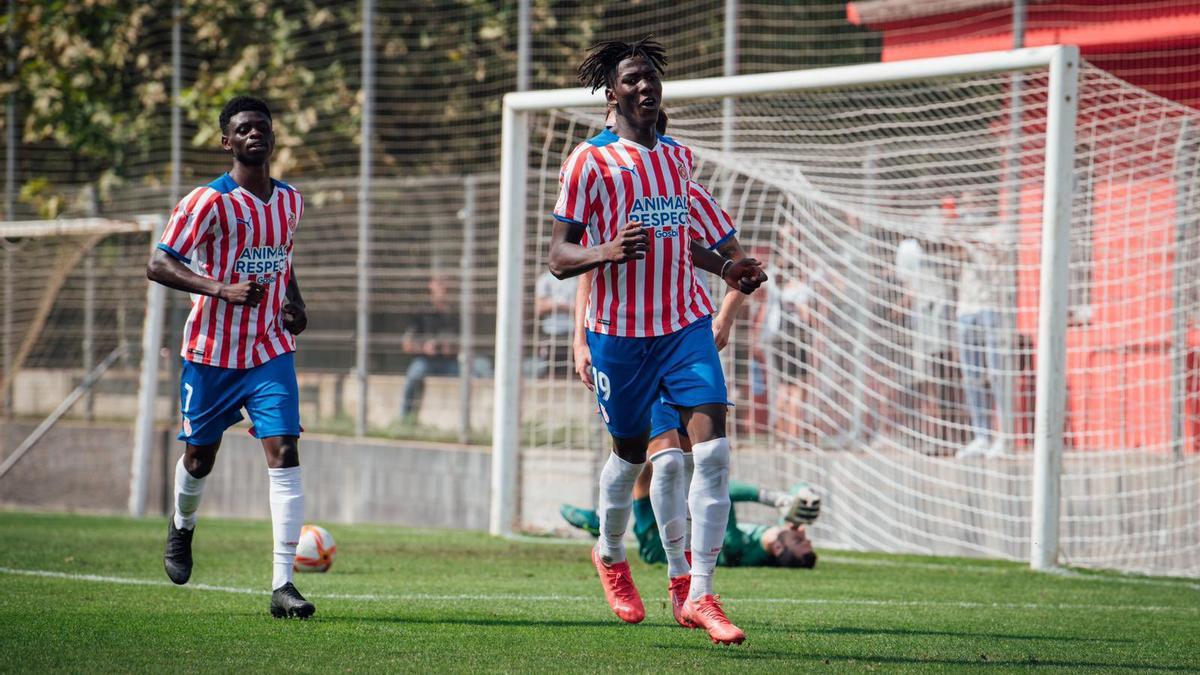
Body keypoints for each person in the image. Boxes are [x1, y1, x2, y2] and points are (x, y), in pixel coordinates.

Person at [549, 37, 767, 645]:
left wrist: (728, 268)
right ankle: (611, 554)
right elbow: (559, 256)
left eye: (651, 77)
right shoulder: (587, 162)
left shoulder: (677, 158)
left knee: (714, 453)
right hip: (620, 337)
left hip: (685, 328)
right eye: (632, 79)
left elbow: (681, 240)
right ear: (611, 92)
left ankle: (698, 593)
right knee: (628, 459)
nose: (645, 87)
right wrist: (604, 251)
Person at [146, 96, 314, 619]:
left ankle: (283, 586)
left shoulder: (291, 201)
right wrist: (219, 288)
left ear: (272, 136)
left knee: (284, 451)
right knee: (200, 457)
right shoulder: (207, 202)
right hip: (211, 354)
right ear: (227, 141)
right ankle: (182, 525)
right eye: (242, 129)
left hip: (269, 351)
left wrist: (295, 301)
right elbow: (159, 264)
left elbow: (282, 259)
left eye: (261, 127)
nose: (253, 134)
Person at [560, 475, 820, 569]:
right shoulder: (767, 540)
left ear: (777, 548)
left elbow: (721, 492)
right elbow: (802, 490)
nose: (802, 534)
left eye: (798, 540)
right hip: (680, 528)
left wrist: (775, 499)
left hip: (660, 548)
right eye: (805, 539)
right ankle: (604, 520)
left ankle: (602, 522)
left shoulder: (736, 545)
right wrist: (802, 495)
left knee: (646, 466)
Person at [954, 189, 1013, 459]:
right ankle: (981, 436)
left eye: (971, 205)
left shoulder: (1000, 231)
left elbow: (997, 257)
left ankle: (1005, 436)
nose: (968, 211)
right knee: (972, 375)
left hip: (992, 307)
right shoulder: (960, 234)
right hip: (966, 309)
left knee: (998, 373)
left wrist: (973, 241)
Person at [398, 276, 491, 424]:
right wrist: (424, 347)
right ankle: (404, 419)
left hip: (450, 362)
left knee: (476, 373)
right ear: (431, 287)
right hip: (426, 361)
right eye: (440, 284)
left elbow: (467, 344)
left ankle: (473, 423)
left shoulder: (457, 314)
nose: (443, 289)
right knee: (413, 375)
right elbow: (406, 344)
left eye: (446, 285)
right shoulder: (421, 312)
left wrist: (452, 348)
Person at [531, 269, 579, 378]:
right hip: (550, 334)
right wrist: (564, 306)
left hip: (572, 333)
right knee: (550, 372)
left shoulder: (576, 279)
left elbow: (582, 308)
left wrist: (556, 304)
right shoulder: (545, 279)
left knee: (574, 372)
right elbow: (539, 307)